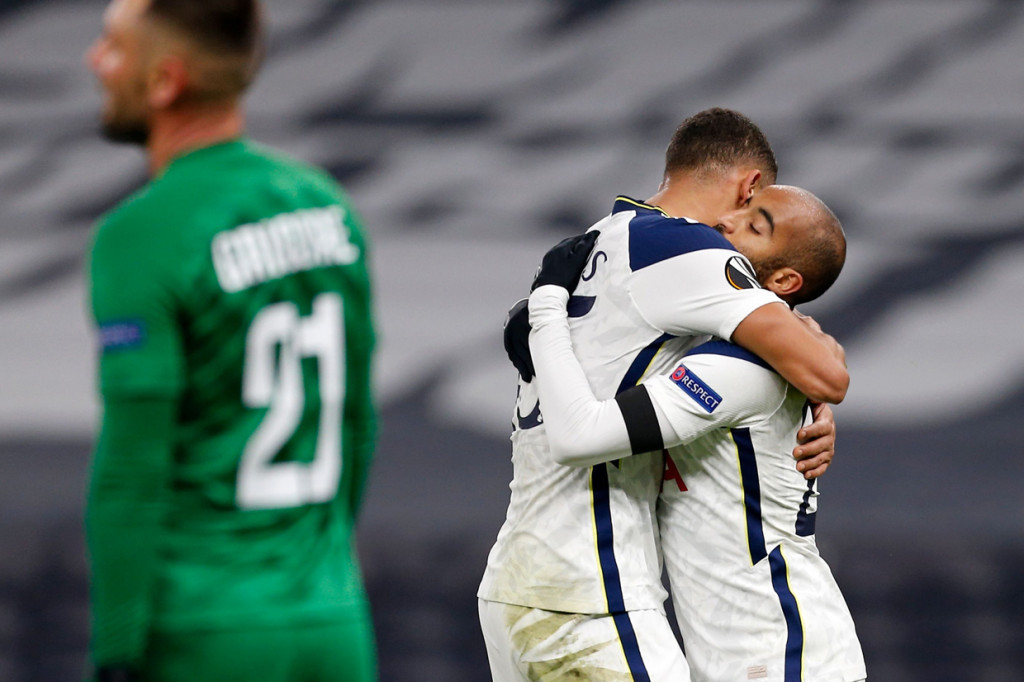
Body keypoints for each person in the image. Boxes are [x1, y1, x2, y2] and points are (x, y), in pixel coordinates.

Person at [478, 108, 846, 680]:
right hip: (592, 595)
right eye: (754, 210)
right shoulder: (691, 254)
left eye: (757, 224)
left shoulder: (593, 247)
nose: (732, 229)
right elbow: (827, 374)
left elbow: (806, 367)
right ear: (750, 186)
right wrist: (815, 382)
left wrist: (807, 394)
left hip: (526, 582)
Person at [83, 1, 377, 680]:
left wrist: (117, 651)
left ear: (165, 81)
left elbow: (132, 468)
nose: (93, 60)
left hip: (205, 633)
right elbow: (359, 427)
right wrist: (315, 570)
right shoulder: (328, 206)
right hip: (333, 628)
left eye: (113, 46)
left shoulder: (142, 234)